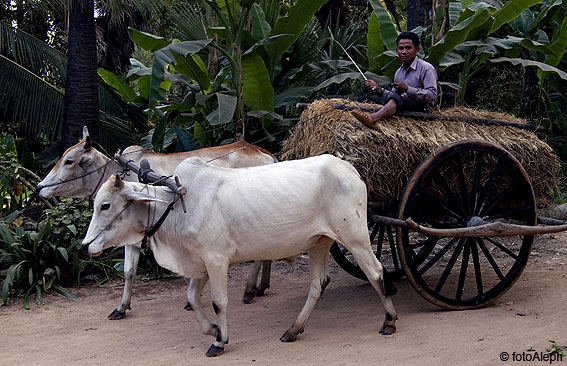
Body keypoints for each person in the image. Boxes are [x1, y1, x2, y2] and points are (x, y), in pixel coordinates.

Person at [351, 31, 438, 129]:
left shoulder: (426, 68)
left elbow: (432, 95)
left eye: (408, 48)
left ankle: (373, 118)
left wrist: (408, 89)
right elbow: (393, 95)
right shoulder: (398, 72)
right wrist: (379, 89)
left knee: (399, 99)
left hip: (422, 108)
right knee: (368, 98)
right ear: (397, 51)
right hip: (401, 103)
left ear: (416, 50)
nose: (404, 51)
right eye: (401, 48)